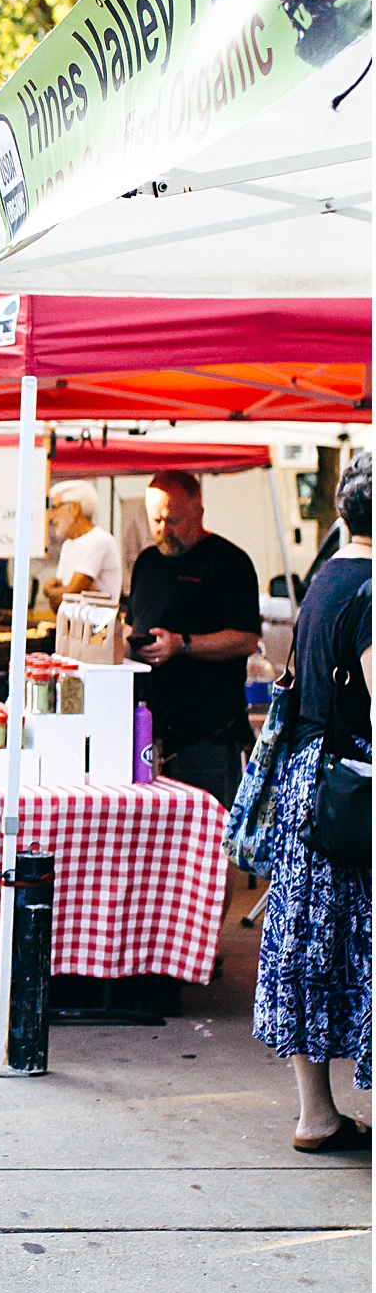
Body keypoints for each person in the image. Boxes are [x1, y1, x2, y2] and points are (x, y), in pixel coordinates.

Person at [253, 451, 372, 1149]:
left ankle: (316, 1114)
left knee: (308, 947)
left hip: (307, 785)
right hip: (353, 794)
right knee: (358, 946)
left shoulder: (326, 577)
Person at [127, 470, 261, 806]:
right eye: (155, 519)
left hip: (208, 734)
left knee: (213, 837)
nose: (163, 530)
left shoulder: (229, 562)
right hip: (151, 729)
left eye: (173, 520)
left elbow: (245, 639)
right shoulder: (146, 562)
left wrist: (182, 644)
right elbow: (132, 624)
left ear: (198, 512)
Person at [42, 480, 123, 610]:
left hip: (98, 629)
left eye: (55, 507)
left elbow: (72, 592)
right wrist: (60, 593)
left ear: (74, 508)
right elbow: (58, 604)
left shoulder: (98, 540)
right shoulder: (68, 545)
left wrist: (48, 591)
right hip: (74, 627)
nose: (51, 517)